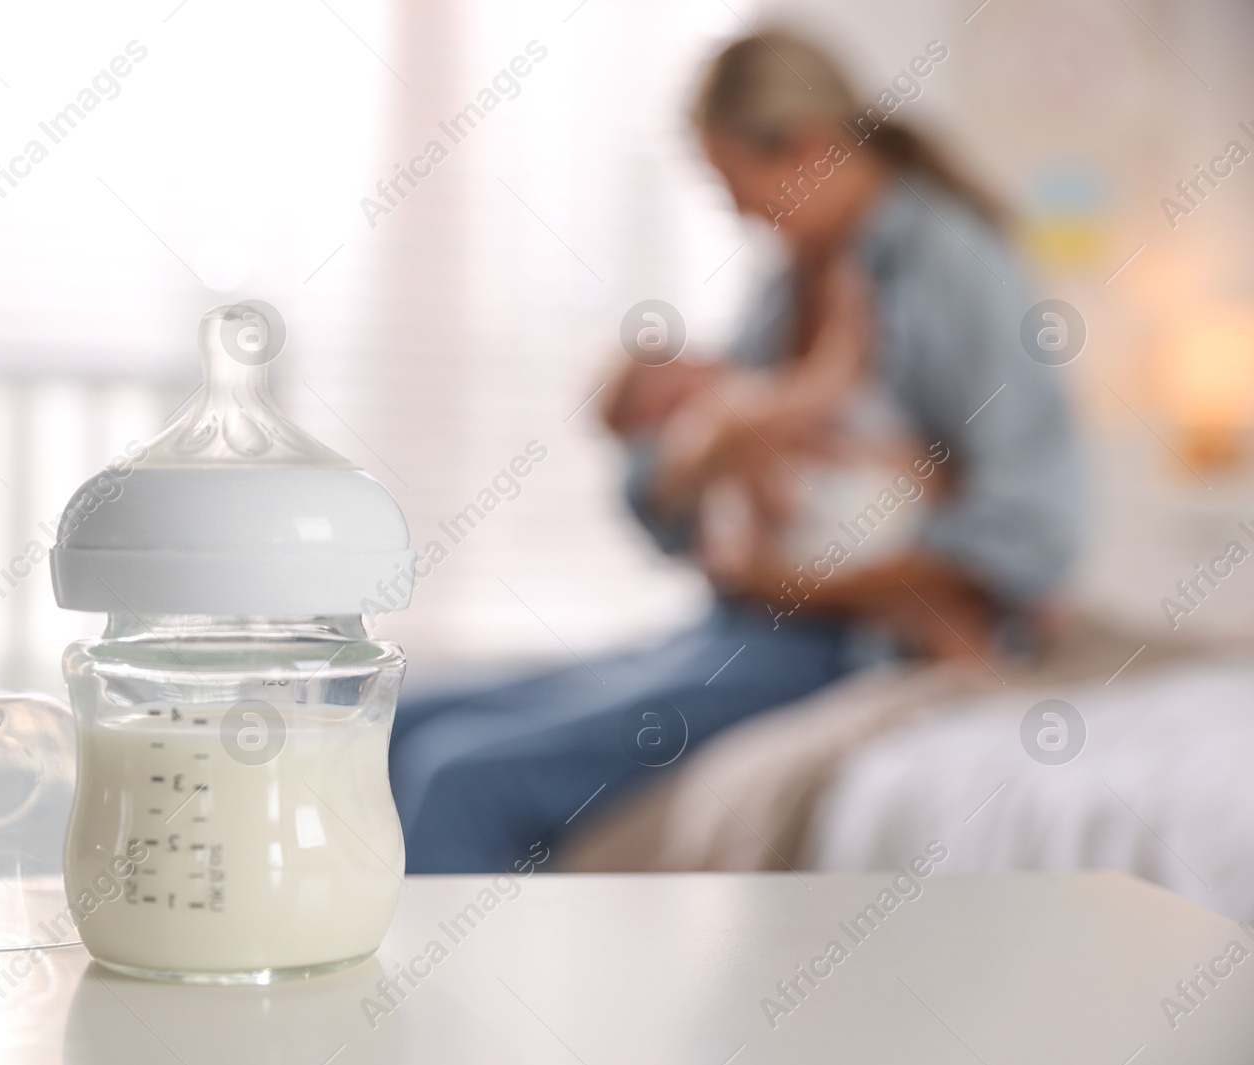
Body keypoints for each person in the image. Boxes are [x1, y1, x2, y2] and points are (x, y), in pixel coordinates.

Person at [389, 30, 1084, 874]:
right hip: (744, 620)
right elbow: (660, 488)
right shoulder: (790, 279)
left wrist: (789, 578)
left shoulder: (953, 269)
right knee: (406, 723)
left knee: (463, 777)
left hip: (846, 640)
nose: (738, 213)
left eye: (735, 186)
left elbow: (1031, 530)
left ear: (811, 147)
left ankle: (438, 1008)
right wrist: (710, 449)